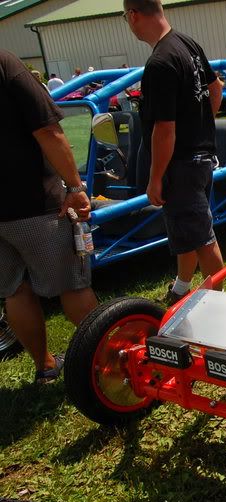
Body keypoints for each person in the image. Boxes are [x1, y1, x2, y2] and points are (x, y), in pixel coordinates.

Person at [0, 49, 98, 384]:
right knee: (72, 283)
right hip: (33, 203)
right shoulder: (6, 64)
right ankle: (108, 358)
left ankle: (45, 367)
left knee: (14, 291)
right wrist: (75, 186)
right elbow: (49, 132)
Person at [123, 0, 225, 304]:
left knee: (203, 239)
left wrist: (154, 178)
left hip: (180, 164)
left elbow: (164, 129)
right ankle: (181, 287)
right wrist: (202, 125)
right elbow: (215, 86)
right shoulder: (186, 44)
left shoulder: (159, 63)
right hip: (200, 158)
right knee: (187, 231)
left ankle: (218, 306)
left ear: (133, 15)